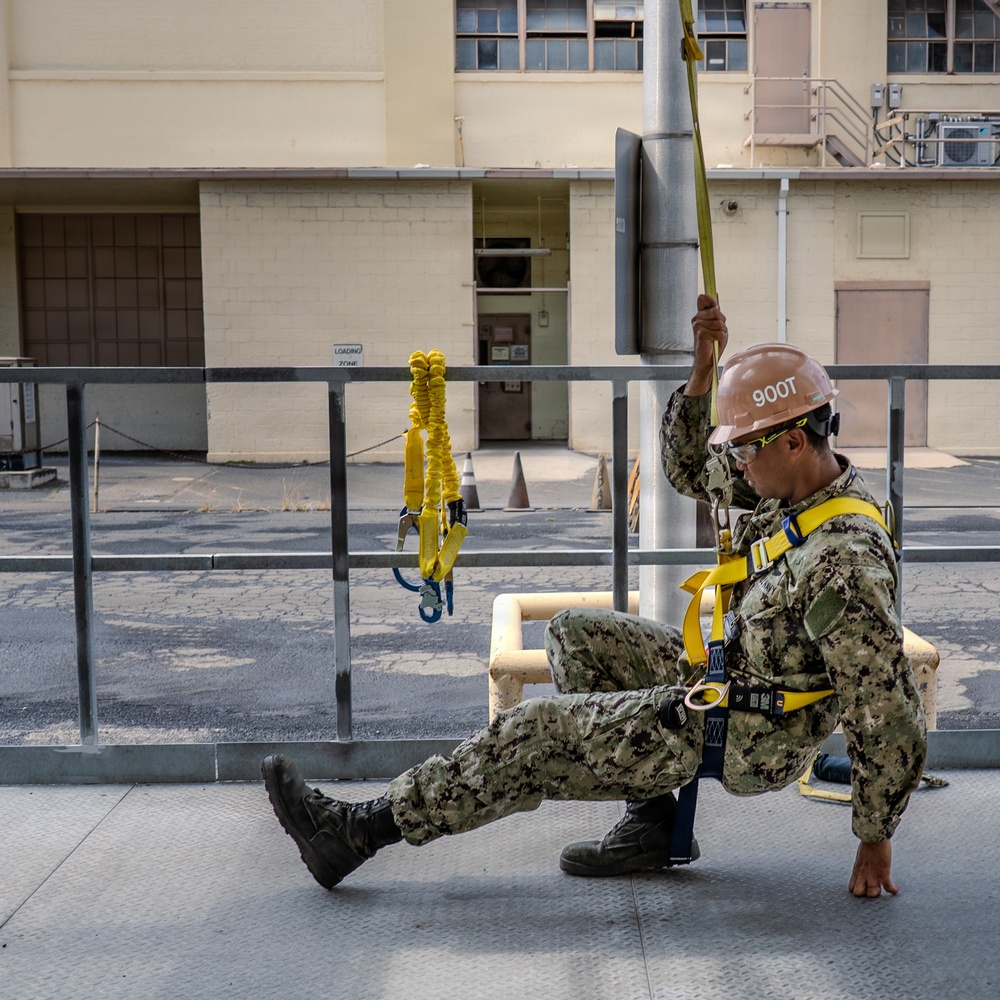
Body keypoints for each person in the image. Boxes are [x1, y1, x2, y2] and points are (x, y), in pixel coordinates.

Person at [262, 294, 927, 900]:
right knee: (574, 635)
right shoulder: (795, 486)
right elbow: (690, 468)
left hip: (753, 729)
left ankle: (356, 833)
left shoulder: (844, 562)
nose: (738, 467)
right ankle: (650, 824)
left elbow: (885, 710)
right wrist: (702, 371)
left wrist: (874, 836)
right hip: (731, 678)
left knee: (535, 731)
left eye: (746, 451)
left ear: (794, 441)